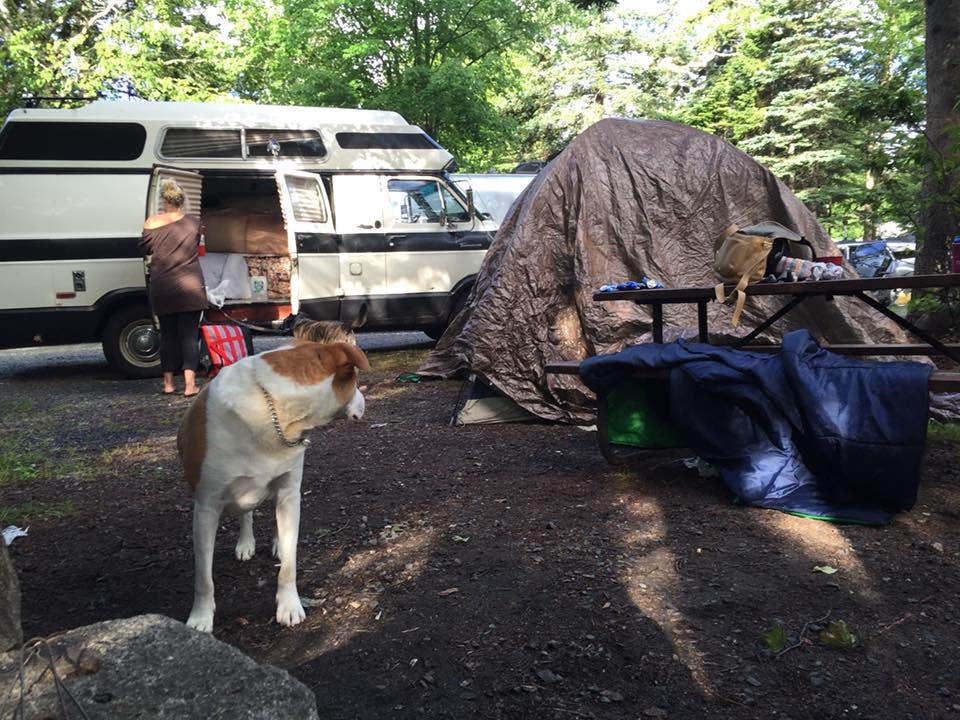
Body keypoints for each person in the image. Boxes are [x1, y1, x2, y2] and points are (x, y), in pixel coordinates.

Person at [139, 179, 208, 397]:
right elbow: (198, 246)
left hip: (163, 286)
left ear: (164, 200)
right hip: (190, 286)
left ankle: (168, 384)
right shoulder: (194, 223)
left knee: (167, 335)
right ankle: (190, 385)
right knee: (189, 336)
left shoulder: (151, 222)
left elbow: (144, 249)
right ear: (181, 200)